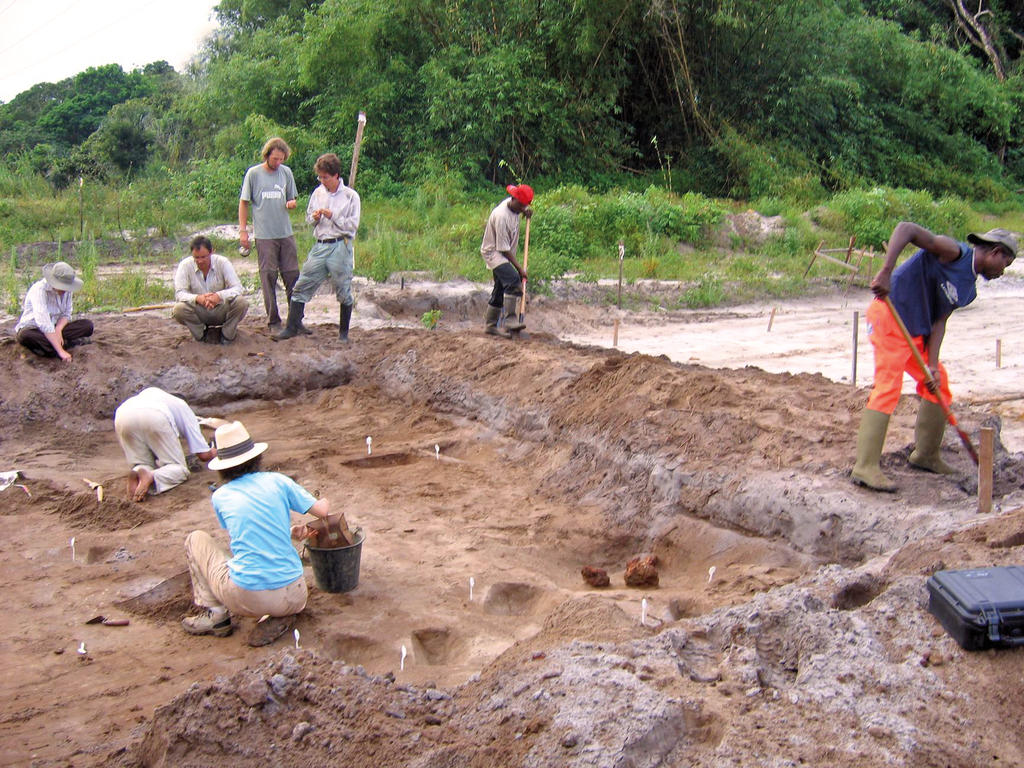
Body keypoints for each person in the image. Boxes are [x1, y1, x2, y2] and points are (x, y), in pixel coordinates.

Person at [851, 223, 1016, 491]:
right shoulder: (953, 252)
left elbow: (940, 321)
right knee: (888, 387)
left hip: (916, 330)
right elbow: (906, 229)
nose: (1002, 271)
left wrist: (931, 365)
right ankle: (865, 467)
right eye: (1005, 264)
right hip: (891, 316)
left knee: (939, 383)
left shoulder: (968, 290)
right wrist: (885, 272)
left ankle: (925, 455)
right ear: (995, 252)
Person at [181, 420, 330, 646]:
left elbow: (247, 529)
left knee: (196, 540)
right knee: (277, 580)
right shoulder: (278, 481)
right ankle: (281, 612)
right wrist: (322, 500)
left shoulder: (221, 496)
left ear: (222, 466)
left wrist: (287, 531)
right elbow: (322, 511)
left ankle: (217, 616)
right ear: (255, 457)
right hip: (296, 596)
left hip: (247, 598)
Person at [275, 153, 361, 342]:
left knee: (343, 289)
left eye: (326, 177)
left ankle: (343, 334)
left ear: (336, 175)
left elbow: (352, 226)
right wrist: (314, 218)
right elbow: (308, 218)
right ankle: (292, 326)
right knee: (302, 284)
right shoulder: (318, 192)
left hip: (341, 245)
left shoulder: (350, 197)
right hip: (321, 245)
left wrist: (333, 216)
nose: (322, 181)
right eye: (320, 177)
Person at [114, 387, 217, 501]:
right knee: (179, 469)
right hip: (155, 414)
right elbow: (204, 455)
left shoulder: (153, 394)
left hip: (123, 413)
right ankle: (152, 476)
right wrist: (214, 451)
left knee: (142, 462)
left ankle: (138, 473)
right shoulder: (182, 406)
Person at [238, 137, 299, 329]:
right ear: (267, 156)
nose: (278, 163)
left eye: (281, 159)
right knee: (268, 276)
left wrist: (292, 203)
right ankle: (273, 320)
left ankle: (296, 319)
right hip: (265, 235)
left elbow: (292, 198)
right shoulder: (254, 174)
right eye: (275, 159)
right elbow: (244, 202)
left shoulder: (286, 173)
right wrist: (243, 231)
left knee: (292, 275)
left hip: (285, 232)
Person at [171, 235, 249, 344]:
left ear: (212, 252)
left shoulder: (222, 262)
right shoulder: (185, 265)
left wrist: (218, 296)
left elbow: (238, 288)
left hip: (221, 307)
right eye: (196, 258)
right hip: (200, 309)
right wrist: (198, 298)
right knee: (178, 309)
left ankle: (227, 334)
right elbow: (179, 293)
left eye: (203, 257)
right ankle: (201, 335)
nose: (200, 261)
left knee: (241, 303)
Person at [480, 184, 533, 337]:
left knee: (499, 289)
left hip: (503, 253)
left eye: (525, 205)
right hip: (494, 253)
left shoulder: (514, 207)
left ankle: (490, 326)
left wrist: (525, 211)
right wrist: (520, 269)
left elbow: (520, 209)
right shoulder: (501, 216)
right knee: (513, 280)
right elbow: (503, 249)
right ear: (514, 199)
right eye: (521, 205)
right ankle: (510, 320)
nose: (522, 208)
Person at [14, 261, 93, 360]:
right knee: (25, 336)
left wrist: (58, 330)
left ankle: (50, 347)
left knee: (87, 325)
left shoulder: (67, 291)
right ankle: (61, 347)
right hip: (35, 328)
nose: (65, 290)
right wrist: (61, 351)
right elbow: (43, 323)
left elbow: (66, 314)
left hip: (54, 326)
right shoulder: (39, 290)